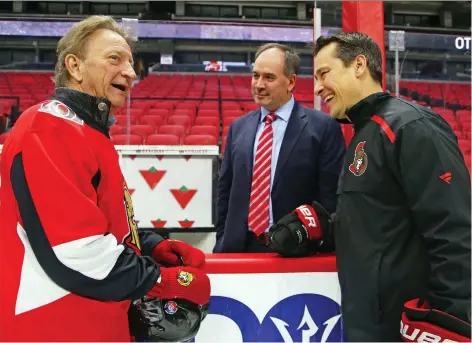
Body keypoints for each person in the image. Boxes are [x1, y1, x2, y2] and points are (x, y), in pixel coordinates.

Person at [0, 16, 211, 342]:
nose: (130, 71)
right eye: (115, 58)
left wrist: (152, 247)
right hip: (54, 327)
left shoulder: (86, 130)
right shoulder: (49, 127)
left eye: (130, 62)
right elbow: (75, 251)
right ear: (75, 65)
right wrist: (163, 281)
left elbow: (98, 221)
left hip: (91, 325)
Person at [268, 32, 471, 341]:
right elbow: (379, 223)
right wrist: (322, 228)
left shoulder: (410, 126)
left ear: (359, 65)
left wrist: (449, 322)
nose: (318, 86)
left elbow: (454, 229)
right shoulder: (365, 134)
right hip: (369, 323)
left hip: (406, 327)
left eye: (324, 73)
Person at [213, 43, 346, 253]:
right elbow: (225, 192)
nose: (258, 84)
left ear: (291, 81)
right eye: (255, 76)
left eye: (269, 77)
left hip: (296, 251)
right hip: (239, 248)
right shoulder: (238, 128)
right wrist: (222, 238)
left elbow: (330, 198)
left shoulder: (323, 128)